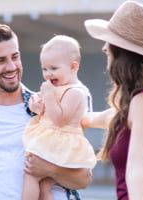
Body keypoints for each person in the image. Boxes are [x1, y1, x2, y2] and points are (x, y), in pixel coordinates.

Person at [0, 24, 92, 200]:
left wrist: (50, 169)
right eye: (1, 60)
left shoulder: (46, 108)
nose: (12, 66)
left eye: (15, 57)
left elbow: (84, 178)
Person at [83, 1, 143, 199]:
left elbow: (136, 169)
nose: (104, 48)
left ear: (123, 52)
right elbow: (106, 118)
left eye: (109, 42)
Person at [21, 35, 96, 200]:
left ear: (73, 67)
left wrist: (48, 96)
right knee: (45, 184)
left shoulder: (75, 92)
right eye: (44, 69)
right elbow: (46, 112)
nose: (48, 74)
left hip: (60, 141)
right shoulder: (57, 87)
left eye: (54, 68)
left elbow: (59, 119)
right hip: (53, 139)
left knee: (31, 174)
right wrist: (36, 106)